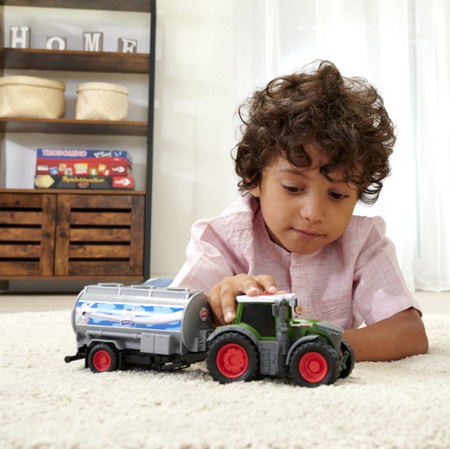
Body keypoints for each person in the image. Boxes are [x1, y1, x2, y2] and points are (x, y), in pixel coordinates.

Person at [171, 60, 428, 362]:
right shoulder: (222, 237)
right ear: (254, 178)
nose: (314, 213)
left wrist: (315, 343)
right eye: (293, 188)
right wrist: (217, 303)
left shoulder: (363, 242)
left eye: (337, 194)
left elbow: (410, 333)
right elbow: (173, 319)